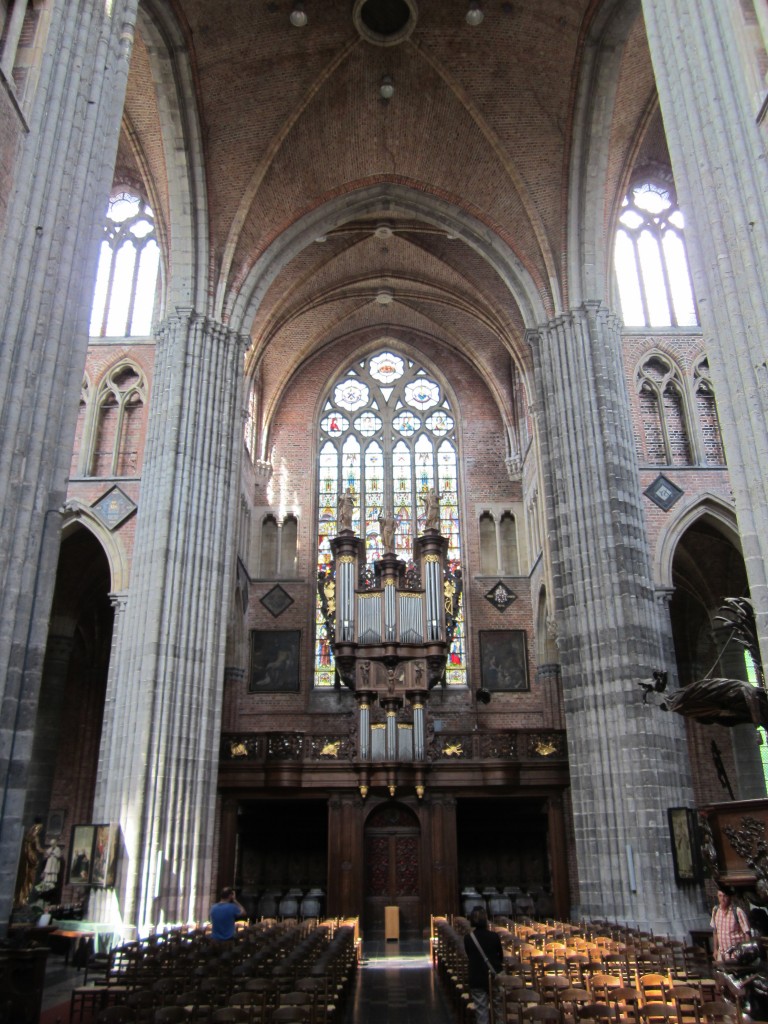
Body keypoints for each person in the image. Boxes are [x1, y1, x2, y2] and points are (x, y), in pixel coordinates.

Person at [464, 905, 503, 1024]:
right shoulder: (494, 936)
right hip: (494, 977)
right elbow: (500, 957)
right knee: (499, 1013)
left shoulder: (468, 938)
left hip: (477, 978)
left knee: (481, 1014)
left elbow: (469, 955)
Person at [711, 888, 750, 961]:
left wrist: (746, 951)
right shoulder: (715, 911)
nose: (722, 899)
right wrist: (715, 949)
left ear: (730, 897)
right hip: (722, 953)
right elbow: (715, 931)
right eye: (720, 896)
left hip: (736, 953)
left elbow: (747, 932)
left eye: (725, 896)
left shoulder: (737, 911)